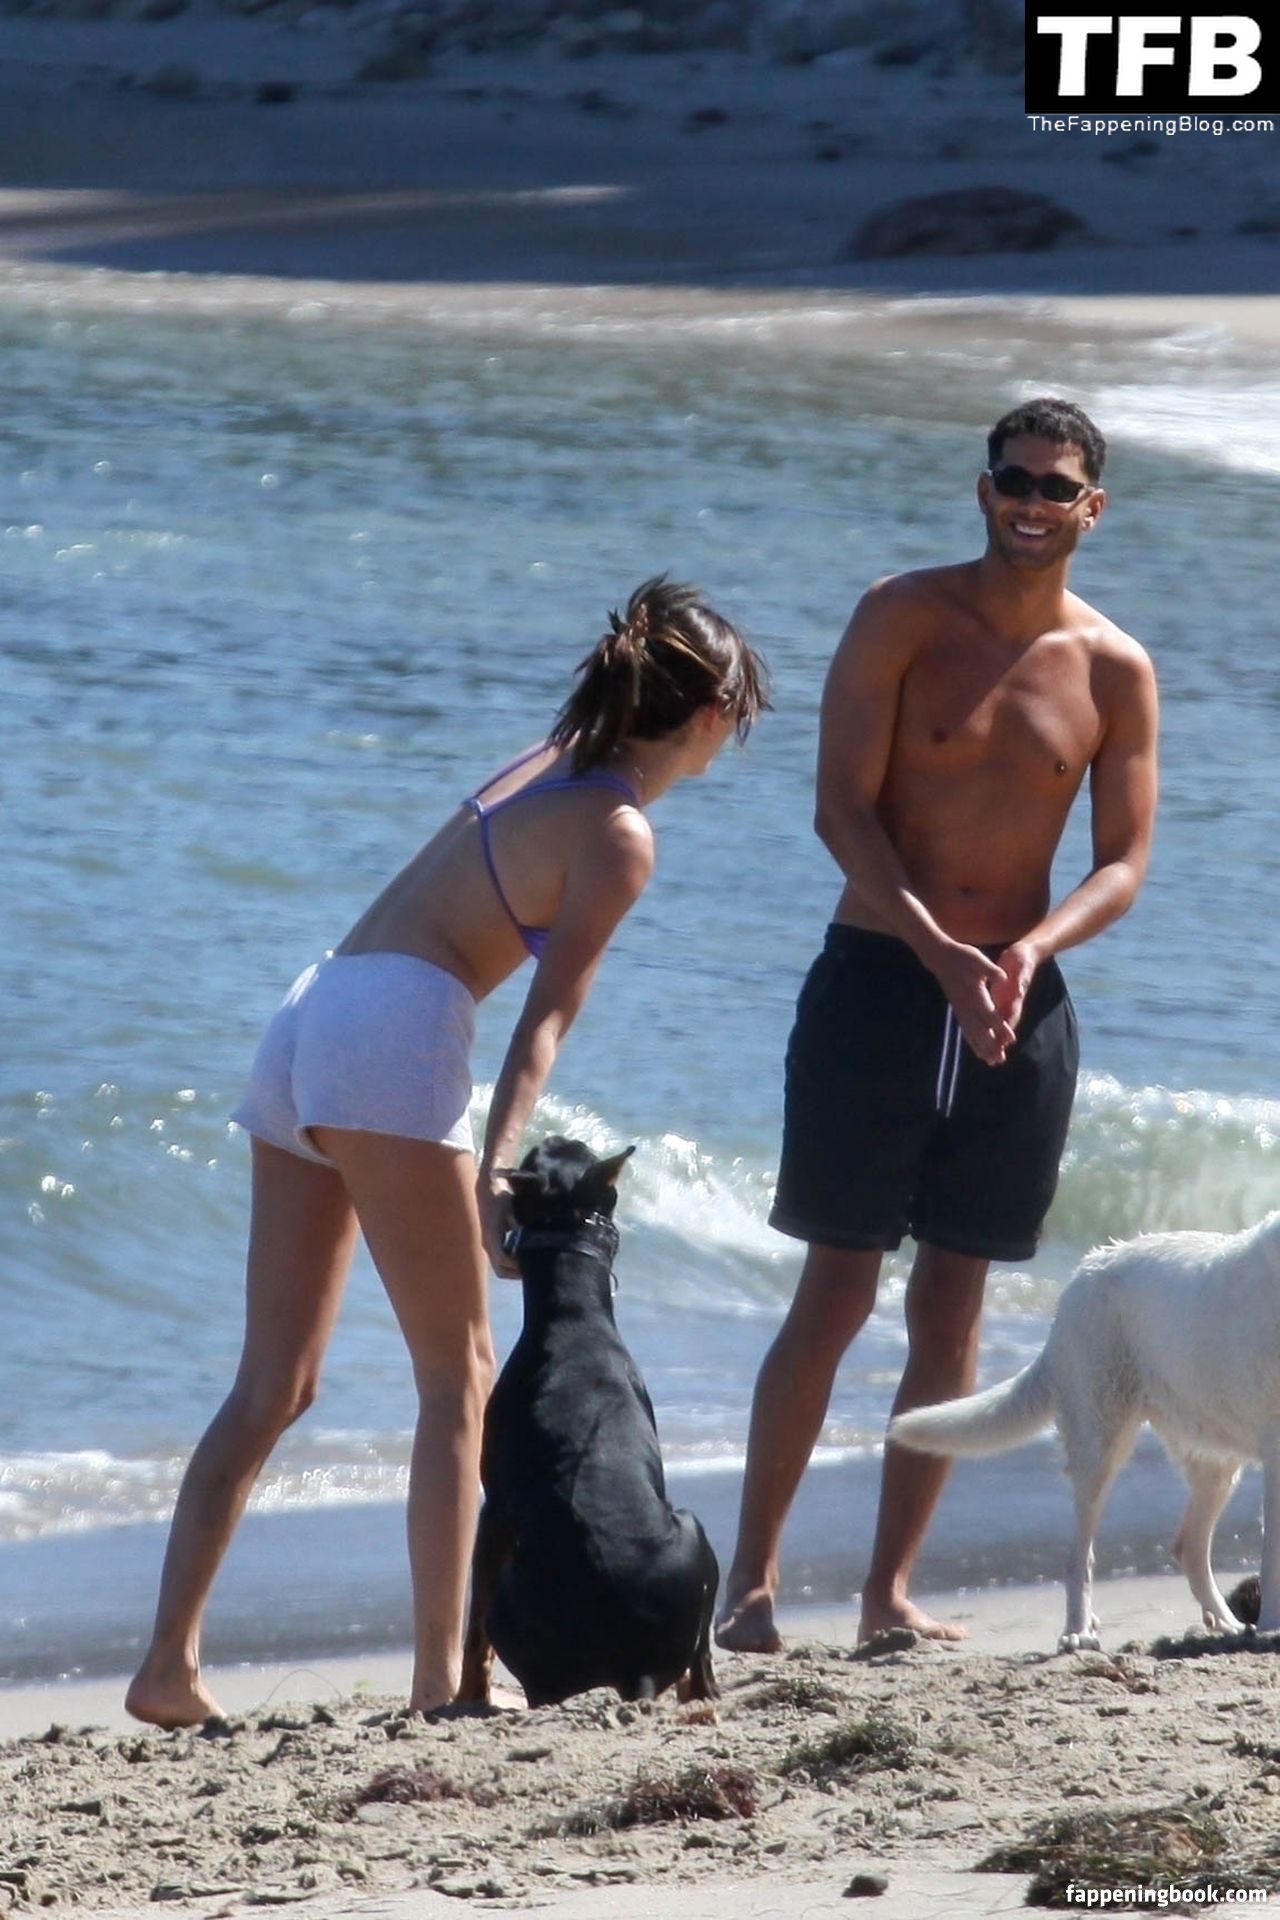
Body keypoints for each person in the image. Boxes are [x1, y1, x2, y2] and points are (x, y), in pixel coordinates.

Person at [125, 577, 769, 1728]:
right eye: (744, 716)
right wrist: (493, 1171)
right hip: (398, 1026)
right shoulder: (620, 832)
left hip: (316, 1006)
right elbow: (544, 1023)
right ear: (713, 711)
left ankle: (167, 1667)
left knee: (275, 1383)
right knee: (459, 1376)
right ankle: (437, 1685)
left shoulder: (549, 759)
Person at [715, 397, 1158, 1653]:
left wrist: (1024, 951)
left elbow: (1121, 863)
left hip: (1015, 998)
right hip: (879, 978)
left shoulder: (1112, 668)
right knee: (835, 1285)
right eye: (1012, 479)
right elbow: (838, 810)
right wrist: (935, 950)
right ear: (981, 491)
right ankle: (749, 1589)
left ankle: (886, 1596)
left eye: (1055, 487)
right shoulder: (899, 615)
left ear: (1090, 508)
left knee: (952, 1304)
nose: (1030, 503)